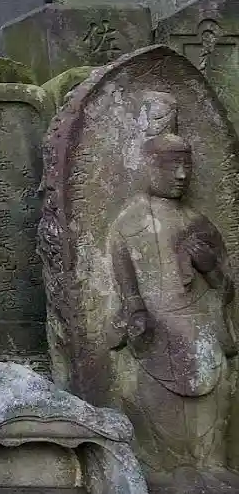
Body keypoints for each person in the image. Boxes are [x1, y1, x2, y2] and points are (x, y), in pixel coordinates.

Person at [110, 128, 239, 482]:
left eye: (187, 166)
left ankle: (212, 463)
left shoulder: (198, 222)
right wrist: (137, 313)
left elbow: (227, 288)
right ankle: (166, 466)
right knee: (152, 396)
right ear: (149, 167)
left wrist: (210, 269)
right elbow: (125, 283)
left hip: (201, 328)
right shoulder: (129, 224)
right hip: (156, 331)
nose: (182, 175)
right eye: (172, 166)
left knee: (215, 390)